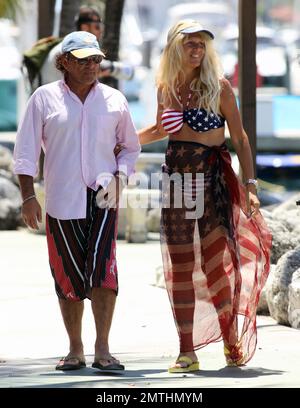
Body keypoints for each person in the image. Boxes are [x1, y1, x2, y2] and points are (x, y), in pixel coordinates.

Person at [138, 20, 272, 372]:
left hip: (211, 179)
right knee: (180, 265)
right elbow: (158, 129)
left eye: (201, 44)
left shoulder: (220, 87)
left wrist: (251, 185)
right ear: (173, 48)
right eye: (189, 44)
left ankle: (231, 342)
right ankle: (187, 351)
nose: (196, 50)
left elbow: (240, 139)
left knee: (216, 264)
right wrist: (120, 141)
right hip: (177, 182)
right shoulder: (165, 87)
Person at [13, 31, 141, 371]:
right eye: (83, 60)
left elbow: (131, 147)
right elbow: (25, 153)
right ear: (64, 62)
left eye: (95, 60)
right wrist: (28, 196)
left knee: (103, 272)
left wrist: (121, 176)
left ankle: (103, 348)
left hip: (104, 198)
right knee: (67, 276)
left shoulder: (114, 100)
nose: (91, 66)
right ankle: (75, 348)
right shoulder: (43, 99)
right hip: (61, 199)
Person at [41, 6, 133, 85]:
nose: (101, 31)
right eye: (97, 27)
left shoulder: (67, 46)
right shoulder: (67, 50)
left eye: (96, 59)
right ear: (85, 27)